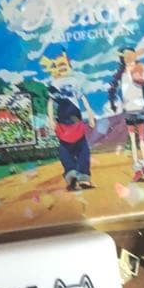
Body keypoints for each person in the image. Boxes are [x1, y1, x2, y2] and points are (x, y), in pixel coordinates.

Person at [43, 53, 96, 192]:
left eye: (64, 65)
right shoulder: (54, 84)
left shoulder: (75, 81)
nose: (62, 68)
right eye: (59, 65)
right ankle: (72, 176)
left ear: (69, 66)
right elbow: (50, 102)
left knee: (83, 150)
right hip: (63, 123)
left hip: (76, 121)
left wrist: (90, 115)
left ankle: (83, 178)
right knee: (65, 151)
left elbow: (83, 98)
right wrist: (51, 119)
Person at [107, 46, 144, 182]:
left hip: (139, 107)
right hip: (129, 108)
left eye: (130, 56)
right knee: (134, 139)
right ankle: (138, 169)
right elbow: (112, 89)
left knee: (141, 138)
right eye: (125, 57)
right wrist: (112, 102)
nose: (128, 59)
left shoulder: (139, 68)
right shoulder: (121, 73)